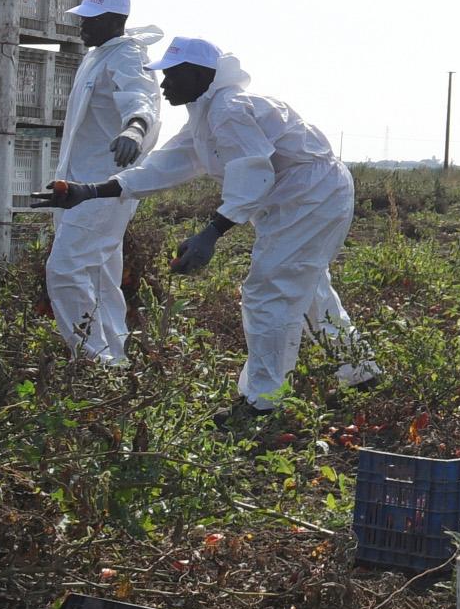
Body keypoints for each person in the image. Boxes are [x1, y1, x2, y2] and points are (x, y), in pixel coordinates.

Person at [39, 38, 376, 424]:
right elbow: (162, 167)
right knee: (308, 286)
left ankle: (262, 403)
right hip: (302, 197)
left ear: (201, 75)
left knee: (269, 290)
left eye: (172, 75)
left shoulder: (229, 111)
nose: (164, 85)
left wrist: (211, 234)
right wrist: (89, 191)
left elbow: (254, 173)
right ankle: (358, 371)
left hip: (311, 195)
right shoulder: (205, 120)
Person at [46, 0, 163, 366]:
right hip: (80, 186)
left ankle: (94, 361)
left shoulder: (128, 56)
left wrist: (135, 128)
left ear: (115, 21)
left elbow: (140, 96)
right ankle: (116, 357)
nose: (82, 26)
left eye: (90, 20)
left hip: (103, 187)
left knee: (65, 270)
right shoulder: (97, 55)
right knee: (98, 274)